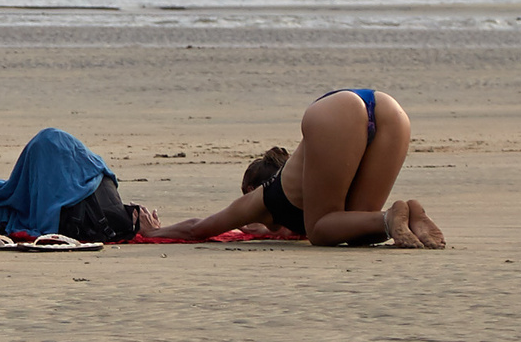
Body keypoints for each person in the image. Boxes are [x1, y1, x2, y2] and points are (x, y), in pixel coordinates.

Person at [147, 88, 448, 247]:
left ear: (249, 188)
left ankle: (391, 217)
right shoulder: (313, 193)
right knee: (358, 230)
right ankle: (407, 217)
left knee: (319, 231)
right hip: (389, 109)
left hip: (336, 111)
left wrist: (150, 234)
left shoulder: (259, 200)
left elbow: (199, 228)